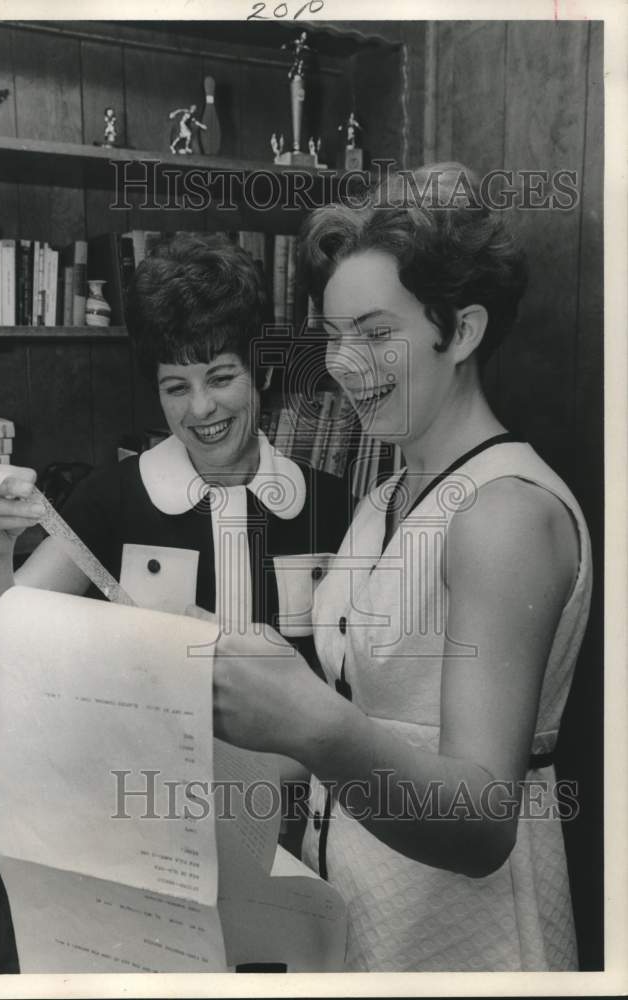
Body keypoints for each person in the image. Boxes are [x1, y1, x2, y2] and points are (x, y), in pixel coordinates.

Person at [211, 163, 592, 971]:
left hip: (475, 934)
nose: (346, 367)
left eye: (378, 334)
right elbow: (380, 719)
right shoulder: (387, 492)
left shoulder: (506, 515)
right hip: (375, 907)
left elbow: (486, 822)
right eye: (333, 337)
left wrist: (310, 724)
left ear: (461, 332)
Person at [0, 232, 349, 671]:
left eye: (221, 378)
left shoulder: (332, 507)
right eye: (177, 387)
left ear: (261, 373)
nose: (201, 408)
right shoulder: (109, 500)